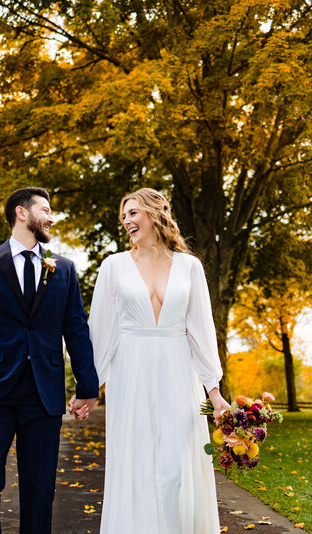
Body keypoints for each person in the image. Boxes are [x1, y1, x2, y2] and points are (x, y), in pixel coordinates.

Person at [86, 187, 231, 533]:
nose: (126, 221)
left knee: (176, 468)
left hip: (179, 374)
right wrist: (89, 387)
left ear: (154, 213)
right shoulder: (113, 267)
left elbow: (201, 331)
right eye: (124, 216)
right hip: (130, 373)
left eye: (133, 213)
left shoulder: (190, 267)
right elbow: (99, 331)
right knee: (136, 466)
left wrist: (214, 393)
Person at [0, 187, 99, 534]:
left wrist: (87, 386)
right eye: (46, 209)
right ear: (22, 213)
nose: (52, 217)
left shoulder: (63, 269)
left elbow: (76, 329)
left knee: (39, 490)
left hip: (43, 393)